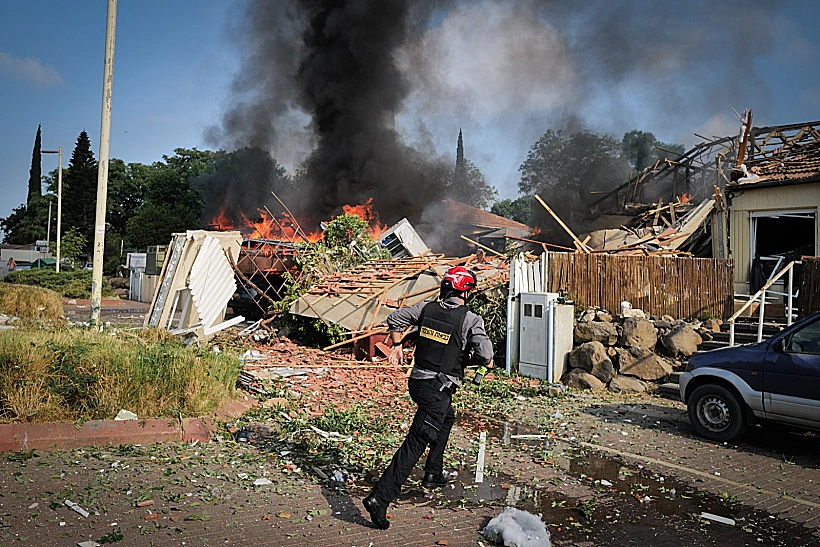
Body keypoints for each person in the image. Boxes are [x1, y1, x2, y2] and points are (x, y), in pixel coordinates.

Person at [363, 265, 494, 529]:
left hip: (418, 383)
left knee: (447, 418)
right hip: (437, 391)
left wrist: (397, 346)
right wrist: (481, 359)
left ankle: (433, 472)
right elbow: (487, 353)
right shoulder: (470, 319)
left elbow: (396, 319)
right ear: (465, 293)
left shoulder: (425, 308)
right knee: (416, 442)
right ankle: (380, 496)